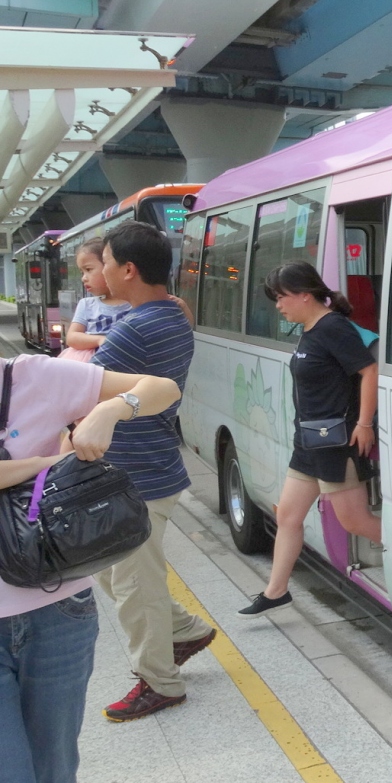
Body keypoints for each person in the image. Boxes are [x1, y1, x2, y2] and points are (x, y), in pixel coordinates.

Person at [0, 354, 181, 783]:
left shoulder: (30, 375)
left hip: (58, 611)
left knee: (55, 767)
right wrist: (45, 464)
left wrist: (111, 410)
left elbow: (163, 388)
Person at [90, 220, 216, 722]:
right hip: (149, 466)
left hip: (136, 475)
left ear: (128, 269)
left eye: (103, 263)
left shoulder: (137, 328)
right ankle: (183, 631)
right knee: (118, 573)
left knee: (132, 585)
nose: (99, 272)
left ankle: (161, 684)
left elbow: (81, 388)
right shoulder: (170, 314)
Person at [238, 263, 381, 618]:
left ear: (305, 295)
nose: (278, 306)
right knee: (287, 515)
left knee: (355, 521)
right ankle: (276, 591)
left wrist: (364, 424)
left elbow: (369, 371)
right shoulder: (309, 330)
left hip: (335, 443)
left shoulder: (333, 327)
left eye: (281, 297)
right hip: (308, 442)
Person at [60, 238, 132, 363]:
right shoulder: (87, 304)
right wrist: (100, 340)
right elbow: (71, 337)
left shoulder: (135, 302)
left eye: (88, 270)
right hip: (92, 363)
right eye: (82, 272)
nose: (84, 278)